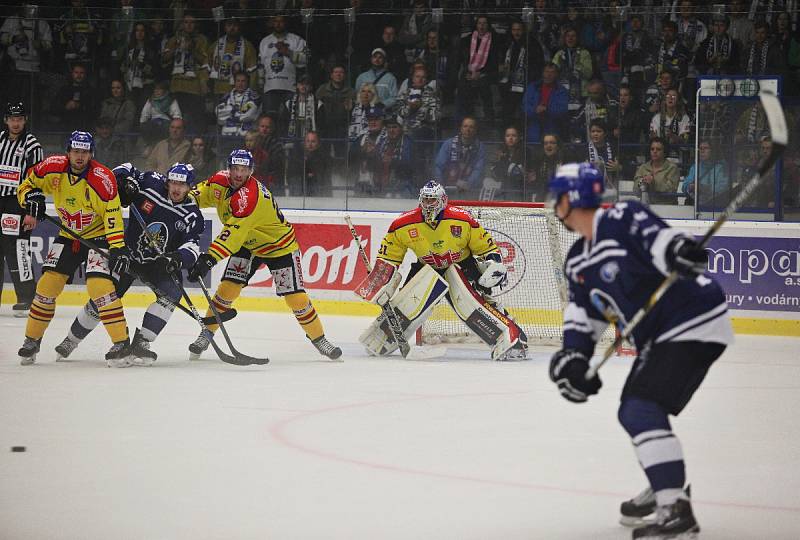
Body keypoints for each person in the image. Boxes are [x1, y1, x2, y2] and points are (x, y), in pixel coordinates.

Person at [546, 162, 732, 539]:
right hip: (662, 334)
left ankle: (674, 509)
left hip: (689, 318)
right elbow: (584, 314)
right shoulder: (578, 260)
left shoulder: (621, 217)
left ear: (574, 197)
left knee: (641, 407)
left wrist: (681, 250)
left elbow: (661, 241)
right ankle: (666, 482)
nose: (554, 205)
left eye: (559, 197)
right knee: (635, 407)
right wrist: (574, 356)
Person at [186, 149, 342, 361]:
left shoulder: (249, 198)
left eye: (244, 170)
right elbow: (197, 195)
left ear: (251, 171)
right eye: (235, 169)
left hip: (279, 246)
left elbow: (232, 234)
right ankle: (207, 333)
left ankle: (320, 339)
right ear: (229, 168)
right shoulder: (219, 182)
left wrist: (208, 259)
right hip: (248, 243)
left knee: (296, 298)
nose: (239, 174)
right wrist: (176, 202)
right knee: (227, 289)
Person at [355, 179, 527, 361]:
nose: (429, 205)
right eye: (426, 200)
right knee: (406, 305)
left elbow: (486, 247)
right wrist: (381, 282)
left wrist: (493, 264)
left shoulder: (462, 219)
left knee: (473, 305)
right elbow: (389, 258)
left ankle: (515, 340)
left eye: (433, 200)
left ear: (443, 200)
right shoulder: (402, 224)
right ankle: (382, 338)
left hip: (462, 266)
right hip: (427, 268)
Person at [54, 162, 203, 365]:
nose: (176, 188)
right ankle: (71, 340)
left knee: (172, 293)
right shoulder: (151, 183)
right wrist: (124, 181)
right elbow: (123, 169)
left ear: (190, 186)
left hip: (157, 263)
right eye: (173, 182)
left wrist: (177, 258)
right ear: (167, 181)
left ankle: (142, 343)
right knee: (105, 297)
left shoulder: (193, 215)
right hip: (128, 255)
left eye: (182, 184)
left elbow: (192, 247)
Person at [16, 131, 132, 367]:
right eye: (76, 151)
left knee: (100, 287)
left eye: (85, 152)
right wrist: (31, 200)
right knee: (47, 284)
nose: (80, 157)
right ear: (68, 152)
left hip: (99, 237)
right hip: (68, 235)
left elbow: (113, 215)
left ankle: (121, 343)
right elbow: (26, 184)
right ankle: (32, 340)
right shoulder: (52, 167)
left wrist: (117, 247)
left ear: (92, 154)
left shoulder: (103, 178)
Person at [0, 102, 42, 316]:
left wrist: (31, 211)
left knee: (18, 249)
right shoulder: (0, 139)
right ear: (6, 120)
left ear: (25, 120)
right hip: (0, 200)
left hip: (18, 203)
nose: (15, 123)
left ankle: (26, 298)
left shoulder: (32, 144)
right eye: (12, 119)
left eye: (19, 119)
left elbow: (37, 179)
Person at [161, 14, 209, 134]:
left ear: (196, 24)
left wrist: (192, 49)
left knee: (197, 120)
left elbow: (205, 61)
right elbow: (164, 59)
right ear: (182, 24)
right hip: (177, 86)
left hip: (194, 87)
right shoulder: (173, 39)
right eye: (186, 22)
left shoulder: (202, 40)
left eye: (192, 22)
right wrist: (175, 47)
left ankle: (198, 144)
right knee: (177, 120)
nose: (188, 25)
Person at [258, 15, 307, 115]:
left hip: (290, 88)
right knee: (270, 118)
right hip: (270, 88)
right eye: (276, 21)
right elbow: (261, 64)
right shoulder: (265, 41)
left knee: (289, 119)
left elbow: (305, 60)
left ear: (286, 23)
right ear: (272, 23)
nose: (278, 24)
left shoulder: (296, 40)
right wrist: (260, 83)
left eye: (281, 21)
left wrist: (289, 52)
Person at [434, 116, 486, 196]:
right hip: (447, 187)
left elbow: (478, 170)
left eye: (471, 127)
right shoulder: (449, 144)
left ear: (475, 130)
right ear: (461, 128)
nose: (468, 130)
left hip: (469, 189)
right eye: (465, 126)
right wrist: (440, 184)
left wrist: (468, 183)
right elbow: (438, 166)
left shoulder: (479, 147)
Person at [522, 62, 569, 144]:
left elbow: (563, 109)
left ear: (556, 74)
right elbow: (524, 106)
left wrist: (547, 109)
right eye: (546, 72)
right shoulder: (532, 87)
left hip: (552, 128)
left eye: (552, 72)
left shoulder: (562, 90)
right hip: (534, 127)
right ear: (542, 73)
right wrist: (535, 110)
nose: (549, 75)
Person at [679, 140, 731, 206]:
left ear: (712, 151)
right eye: (700, 148)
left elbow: (724, 187)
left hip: (715, 205)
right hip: (695, 205)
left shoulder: (721, 168)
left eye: (705, 148)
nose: (702, 151)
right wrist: (689, 187)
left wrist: (705, 188)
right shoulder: (695, 167)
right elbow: (685, 185)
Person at [216, 71, 262, 137]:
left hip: (246, 135)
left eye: (243, 81)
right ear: (234, 82)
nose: (240, 84)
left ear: (247, 83)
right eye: (238, 81)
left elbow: (248, 115)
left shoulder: (254, 97)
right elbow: (219, 114)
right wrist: (237, 111)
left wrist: (230, 112)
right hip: (227, 134)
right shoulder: (226, 97)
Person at [634, 137, 680, 203]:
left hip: (667, 208)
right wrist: (642, 182)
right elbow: (635, 190)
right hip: (646, 206)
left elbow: (671, 189)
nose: (654, 151)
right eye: (652, 149)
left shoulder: (672, 168)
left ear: (664, 152)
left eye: (658, 149)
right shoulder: (643, 167)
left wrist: (653, 183)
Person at [289, 130, 331, 197]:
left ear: (318, 143)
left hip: (318, 196)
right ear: (304, 143)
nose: (310, 144)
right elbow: (294, 175)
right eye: (308, 141)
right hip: (300, 194)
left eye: (313, 141)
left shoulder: (323, 158)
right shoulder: (298, 157)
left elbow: (324, 178)